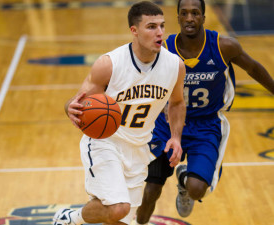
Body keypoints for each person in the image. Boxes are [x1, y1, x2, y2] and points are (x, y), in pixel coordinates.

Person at [135, 0, 274, 222]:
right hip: (167, 125)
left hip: (206, 126)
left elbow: (254, 68)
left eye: (195, 13)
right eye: (184, 13)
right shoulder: (163, 49)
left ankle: (184, 182)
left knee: (197, 189)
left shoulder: (224, 46)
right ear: (178, 17)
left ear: (203, 18)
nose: (190, 18)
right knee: (151, 190)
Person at [52, 1, 186, 225]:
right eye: (151, 26)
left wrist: (176, 137)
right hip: (105, 142)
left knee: (119, 219)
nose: (160, 32)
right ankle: (69, 219)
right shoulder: (110, 64)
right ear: (134, 30)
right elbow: (78, 102)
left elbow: (178, 102)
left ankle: (71, 218)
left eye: (162, 26)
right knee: (118, 208)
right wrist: (69, 108)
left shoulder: (175, 66)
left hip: (139, 148)